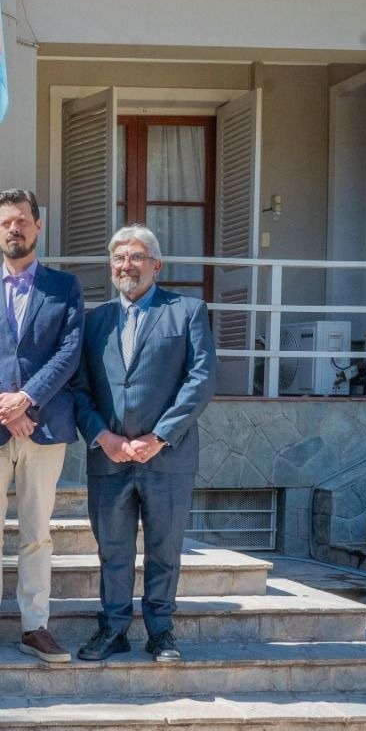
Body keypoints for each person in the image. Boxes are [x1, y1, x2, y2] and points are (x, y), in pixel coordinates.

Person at [72, 225, 217, 663]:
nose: (126, 266)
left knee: (164, 549)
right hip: (110, 458)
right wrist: (102, 435)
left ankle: (161, 631)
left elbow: (201, 379)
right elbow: (79, 388)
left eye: (136, 257)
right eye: (118, 258)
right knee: (112, 549)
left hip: (167, 458)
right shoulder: (94, 321)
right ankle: (113, 628)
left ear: (157, 265)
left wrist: (159, 436)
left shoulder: (187, 311)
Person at [0, 189, 83, 664]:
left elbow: (69, 353)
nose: (15, 228)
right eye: (6, 222)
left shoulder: (65, 288)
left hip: (44, 427)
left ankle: (35, 627)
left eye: (23, 220)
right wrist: (1, 402)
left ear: (37, 225)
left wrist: (27, 399)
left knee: (37, 532)